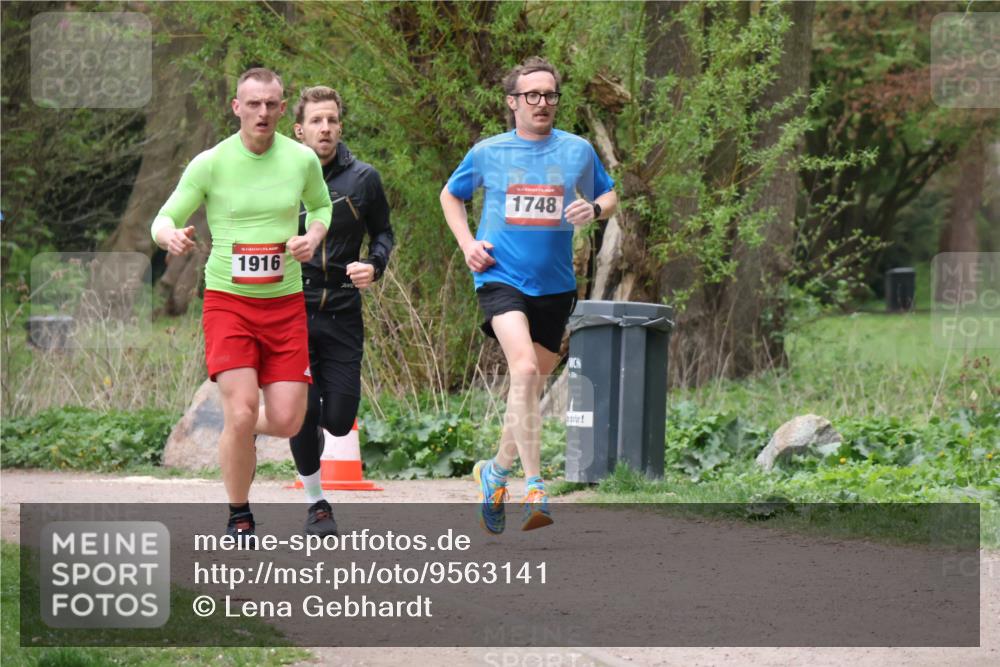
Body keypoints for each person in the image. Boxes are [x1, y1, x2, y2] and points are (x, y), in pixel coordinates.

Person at [151, 68, 332, 542]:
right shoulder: (210, 163)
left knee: (292, 417)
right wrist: (169, 234)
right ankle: (239, 514)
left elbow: (321, 206)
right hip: (228, 303)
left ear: (281, 106)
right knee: (241, 410)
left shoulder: (301, 160)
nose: (263, 113)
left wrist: (313, 236)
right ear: (236, 107)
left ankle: (242, 428)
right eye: (253, 104)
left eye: (272, 104)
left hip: (285, 302)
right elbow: (166, 216)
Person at [440, 57, 618, 533]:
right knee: (521, 370)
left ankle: (495, 472)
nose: (542, 103)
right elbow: (450, 195)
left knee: (528, 389)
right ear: (512, 102)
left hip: (556, 287)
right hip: (500, 277)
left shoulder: (577, 150)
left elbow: (609, 194)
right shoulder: (488, 152)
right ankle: (535, 486)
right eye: (532, 95)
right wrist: (467, 245)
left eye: (550, 95)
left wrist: (593, 208)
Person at [288, 86, 394, 536]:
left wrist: (374, 265)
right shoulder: (282, 176)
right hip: (292, 306)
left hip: (344, 309)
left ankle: (310, 435)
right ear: (300, 130)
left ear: (340, 127)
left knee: (336, 419)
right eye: (316, 121)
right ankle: (317, 505)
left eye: (331, 120)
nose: (325, 128)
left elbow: (384, 233)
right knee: (302, 410)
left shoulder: (364, 178)